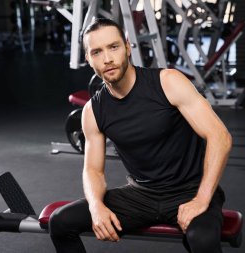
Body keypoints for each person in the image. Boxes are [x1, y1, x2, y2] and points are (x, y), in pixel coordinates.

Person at [49, 18, 232, 253]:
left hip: (190, 190)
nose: (107, 59)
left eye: (113, 47)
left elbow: (220, 137)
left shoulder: (167, 82)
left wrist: (201, 200)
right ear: (88, 59)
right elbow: (93, 170)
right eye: (97, 52)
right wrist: (96, 207)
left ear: (127, 47)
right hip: (141, 196)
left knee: (202, 239)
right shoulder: (93, 111)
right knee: (60, 222)